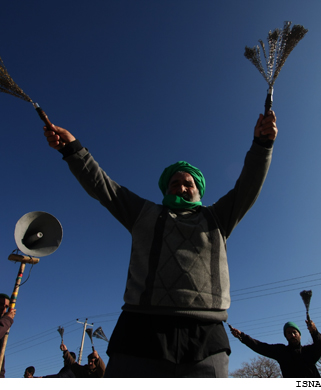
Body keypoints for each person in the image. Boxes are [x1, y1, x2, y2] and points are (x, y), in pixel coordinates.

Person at [42, 110, 278, 377]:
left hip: (207, 335)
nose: (181, 187)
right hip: (139, 331)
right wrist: (73, 148)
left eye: (188, 183)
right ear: (166, 190)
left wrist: (262, 144)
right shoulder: (144, 213)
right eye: (174, 183)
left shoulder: (218, 218)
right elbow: (102, 185)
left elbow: (249, 184)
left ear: (198, 190)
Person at [229, 319, 321, 378]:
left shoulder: (308, 352)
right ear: (286, 336)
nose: (292, 335)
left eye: (294, 332)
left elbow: (320, 346)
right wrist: (242, 336)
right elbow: (260, 347)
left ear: (299, 335)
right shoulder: (282, 352)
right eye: (289, 333)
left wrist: (314, 331)